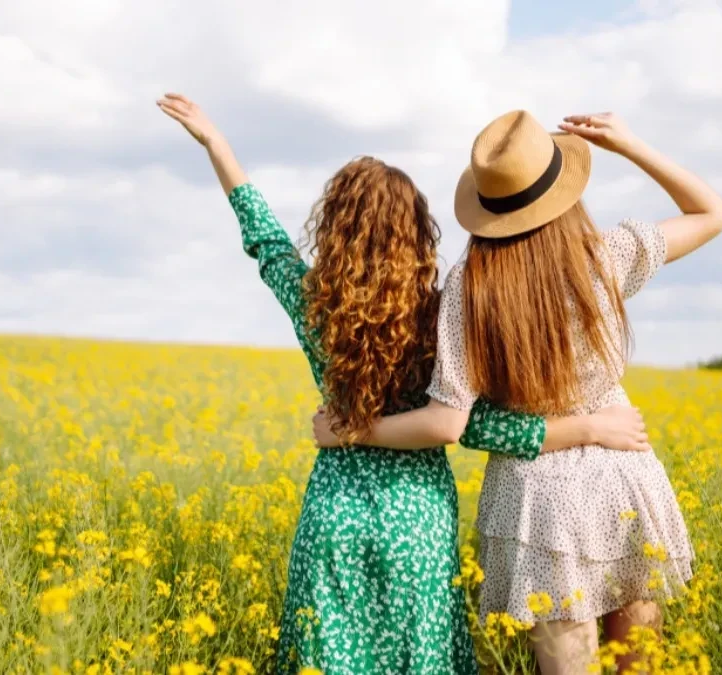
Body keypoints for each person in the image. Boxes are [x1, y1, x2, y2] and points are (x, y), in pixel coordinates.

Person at [157, 93, 654, 675]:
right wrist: (588, 426)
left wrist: (217, 144)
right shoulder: (444, 316)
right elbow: (472, 425)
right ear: (418, 234)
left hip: (335, 517)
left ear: (334, 232)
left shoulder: (316, 307)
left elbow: (265, 241)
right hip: (418, 524)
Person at [313, 110, 722, 673]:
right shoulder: (603, 258)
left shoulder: (469, 286)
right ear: (562, 191)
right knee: (641, 666)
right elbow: (713, 212)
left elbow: (445, 423)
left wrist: (356, 430)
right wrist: (629, 145)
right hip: (623, 473)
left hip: (536, 498)